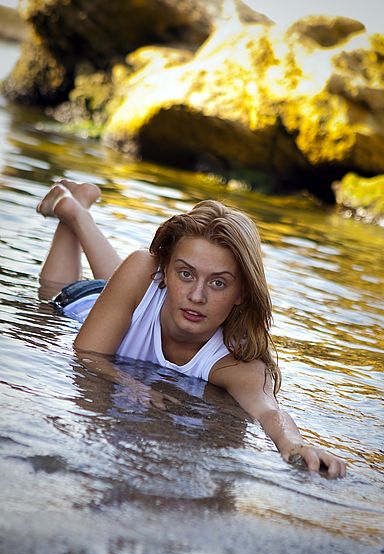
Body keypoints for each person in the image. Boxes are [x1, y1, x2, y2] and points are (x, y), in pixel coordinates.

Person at [37, 179, 346, 478]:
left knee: (132, 286)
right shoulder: (146, 268)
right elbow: (85, 354)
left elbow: (268, 412)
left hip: (128, 300)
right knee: (55, 289)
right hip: (80, 304)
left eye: (218, 282)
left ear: (241, 293)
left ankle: (76, 207)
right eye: (185, 274)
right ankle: (71, 213)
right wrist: (130, 384)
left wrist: (296, 446)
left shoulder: (236, 361)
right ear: (166, 270)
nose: (198, 296)